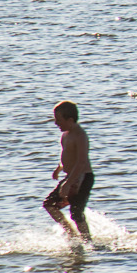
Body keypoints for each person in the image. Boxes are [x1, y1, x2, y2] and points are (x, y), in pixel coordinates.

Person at [42, 100, 94, 241]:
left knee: (76, 213)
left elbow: (81, 161)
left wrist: (68, 183)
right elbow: (67, 154)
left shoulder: (80, 135)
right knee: (49, 205)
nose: (56, 123)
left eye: (58, 120)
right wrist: (59, 168)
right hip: (71, 177)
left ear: (70, 120)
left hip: (83, 177)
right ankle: (71, 234)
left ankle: (88, 241)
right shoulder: (65, 134)